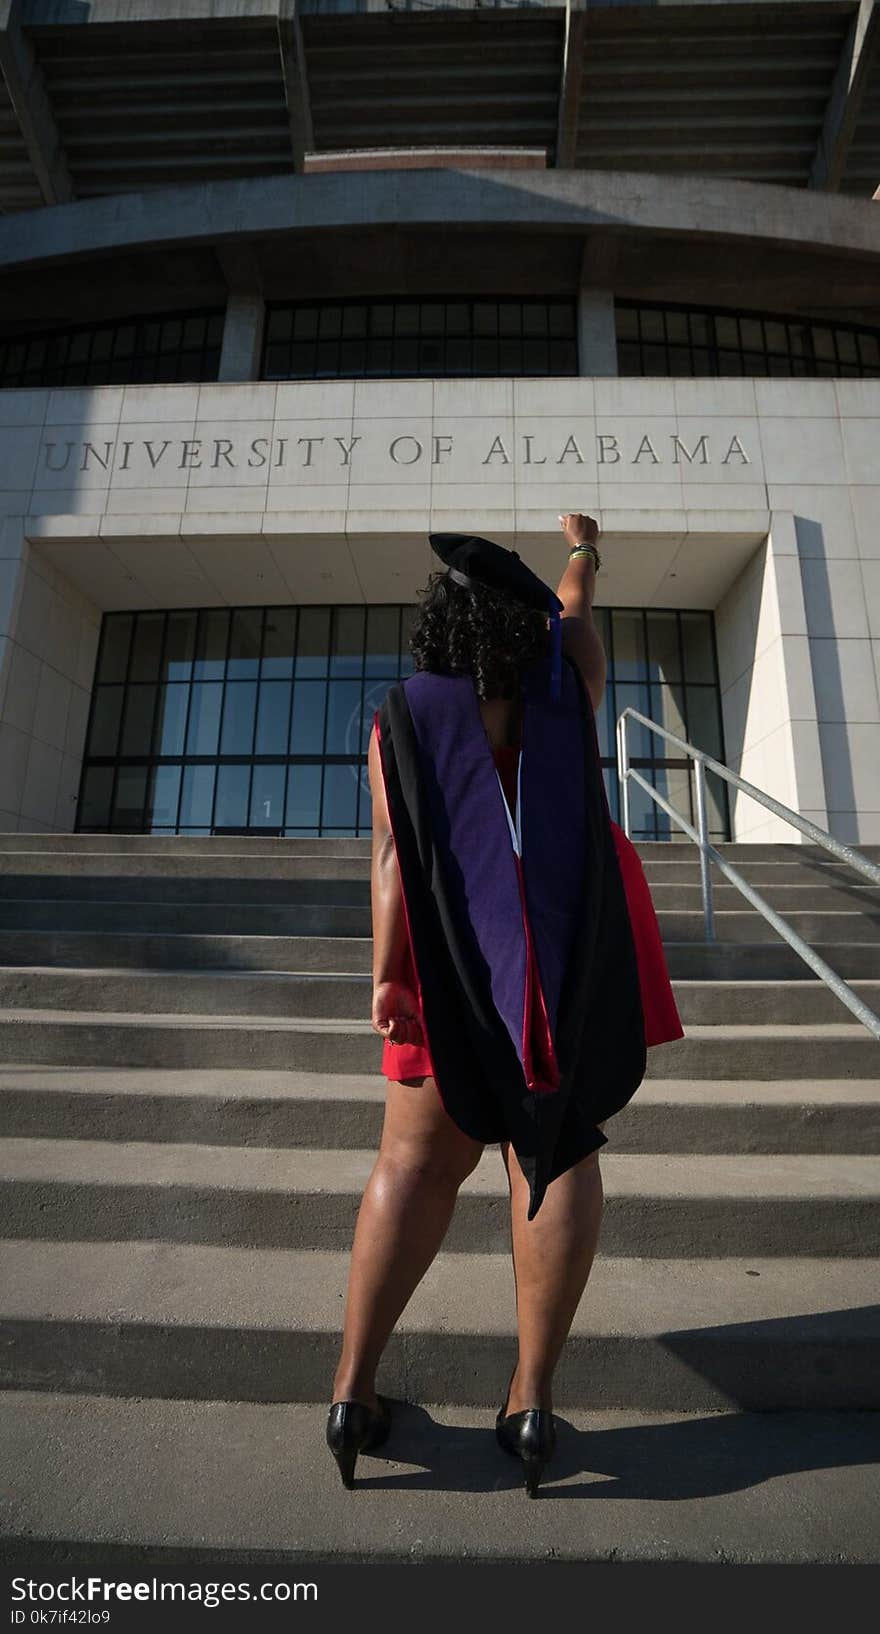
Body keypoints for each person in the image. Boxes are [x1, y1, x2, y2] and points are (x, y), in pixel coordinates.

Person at [326, 514, 684, 1496]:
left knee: (411, 1159)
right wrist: (581, 550)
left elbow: (395, 861)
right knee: (557, 1143)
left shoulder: (399, 718)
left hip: (452, 950)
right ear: (530, 630)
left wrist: (388, 976)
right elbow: (570, 610)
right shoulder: (568, 681)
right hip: (570, 945)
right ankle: (529, 1400)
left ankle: (352, 1393)